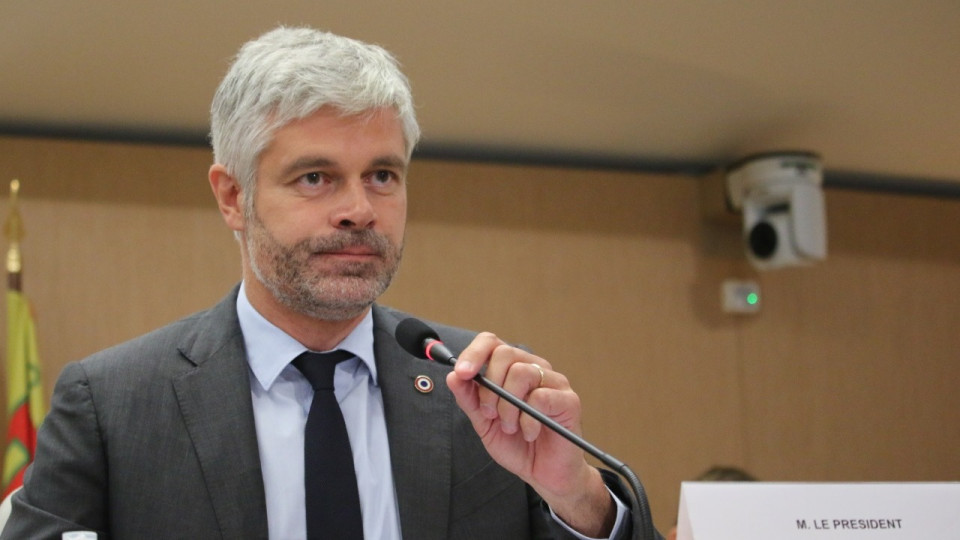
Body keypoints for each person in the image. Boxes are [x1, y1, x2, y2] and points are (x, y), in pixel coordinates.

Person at [1, 27, 659, 539]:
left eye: (383, 175)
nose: (360, 210)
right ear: (233, 196)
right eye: (315, 177)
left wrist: (578, 497)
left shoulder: (484, 397)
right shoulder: (114, 406)